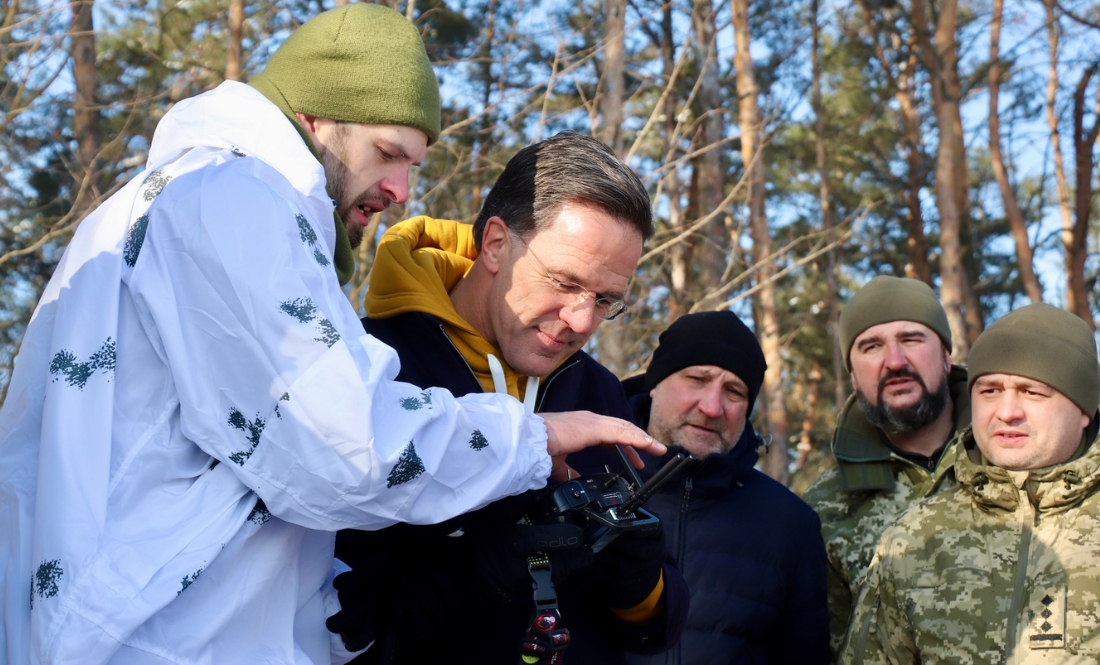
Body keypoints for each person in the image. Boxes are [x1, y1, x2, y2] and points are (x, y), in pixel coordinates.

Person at [0, 7, 664, 665]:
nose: (403, 191)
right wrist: (533, 436)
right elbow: (345, 446)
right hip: (162, 635)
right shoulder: (230, 198)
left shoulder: (187, 202)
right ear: (317, 118)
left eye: (607, 299)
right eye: (387, 153)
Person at [328, 131, 688, 664]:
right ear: (495, 243)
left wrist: (642, 586)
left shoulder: (597, 392)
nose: (582, 322)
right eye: (565, 282)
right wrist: (465, 575)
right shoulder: (370, 365)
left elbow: (658, 624)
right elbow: (315, 609)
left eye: (607, 299)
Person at [843, 302, 1100, 663]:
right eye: (990, 391)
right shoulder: (914, 538)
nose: (1007, 411)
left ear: (1084, 409)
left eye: (1032, 392)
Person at [620, 311, 829, 665]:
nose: (712, 406)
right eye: (697, 379)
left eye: (734, 391)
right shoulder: (581, 480)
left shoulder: (791, 525)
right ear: (654, 383)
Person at [801, 275, 970, 659]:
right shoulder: (823, 510)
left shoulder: (1017, 462)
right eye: (871, 346)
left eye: (911, 339)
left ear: (946, 355)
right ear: (853, 376)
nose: (895, 361)